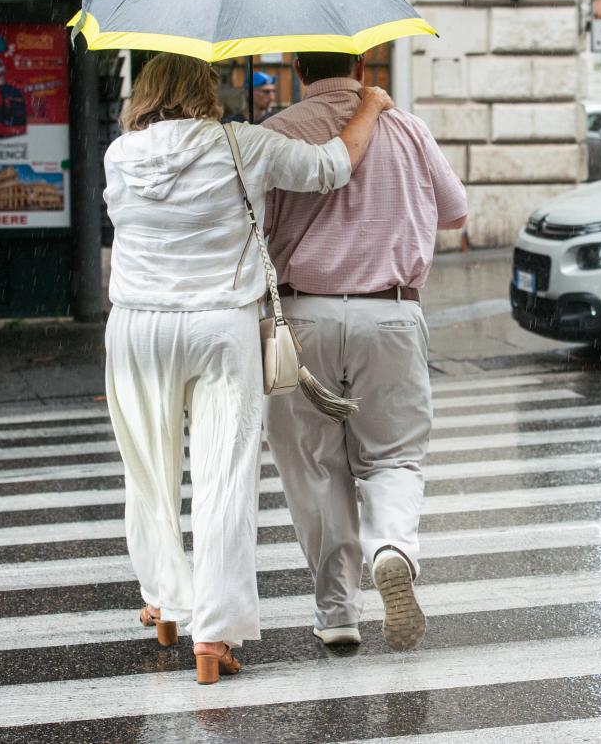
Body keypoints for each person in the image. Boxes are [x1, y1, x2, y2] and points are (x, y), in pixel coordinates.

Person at [102, 52, 391, 685]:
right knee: (223, 480)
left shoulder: (119, 154)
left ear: (147, 92)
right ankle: (215, 636)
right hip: (217, 323)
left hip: (135, 325)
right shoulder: (243, 144)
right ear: (203, 88)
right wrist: (369, 105)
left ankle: (164, 600)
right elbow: (331, 168)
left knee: (148, 470)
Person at [262, 50, 467, 653]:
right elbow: (456, 213)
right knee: (395, 455)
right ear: (358, 60)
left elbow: (254, 225)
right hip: (392, 310)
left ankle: (336, 614)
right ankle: (392, 549)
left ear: (299, 65)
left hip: (301, 317)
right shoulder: (408, 128)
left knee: (315, 466)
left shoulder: (279, 131)